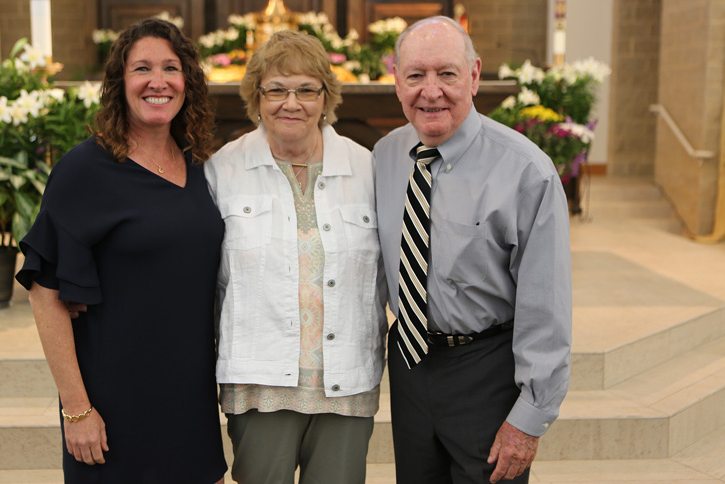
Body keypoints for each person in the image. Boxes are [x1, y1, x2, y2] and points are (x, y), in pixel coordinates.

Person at [15, 18, 226, 483]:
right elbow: (44, 292)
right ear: (119, 83)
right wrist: (76, 409)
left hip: (187, 398)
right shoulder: (83, 170)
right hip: (110, 403)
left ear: (187, 81)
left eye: (171, 68)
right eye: (142, 69)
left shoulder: (197, 166)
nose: (158, 81)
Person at [373, 16, 572, 484]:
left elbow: (547, 306)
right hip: (410, 366)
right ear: (397, 82)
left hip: (487, 370)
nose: (431, 91)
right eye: (415, 75)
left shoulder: (527, 172)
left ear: (475, 75)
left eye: (447, 74)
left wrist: (530, 417)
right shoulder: (384, 157)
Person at [204, 29, 387, 484]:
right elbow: (207, 283)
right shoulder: (222, 170)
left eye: (307, 90)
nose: (292, 103)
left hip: (346, 380)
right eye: (276, 90)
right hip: (259, 381)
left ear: (326, 97)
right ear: (256, 97)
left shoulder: (368, 168)